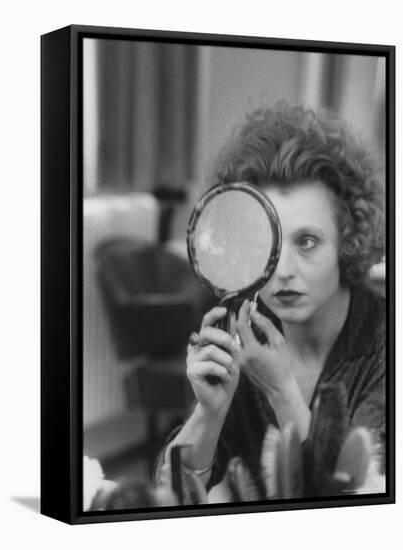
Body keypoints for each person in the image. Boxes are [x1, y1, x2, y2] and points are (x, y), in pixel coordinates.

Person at [155, 102, 386, 498]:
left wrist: (281, 391)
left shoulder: (386, 345)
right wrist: (209, 413)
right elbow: (170, 492)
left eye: (307, 242)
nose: (283, 270)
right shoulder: (244, 332)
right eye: (268, 244)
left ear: (347, 241)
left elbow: (358, 504)